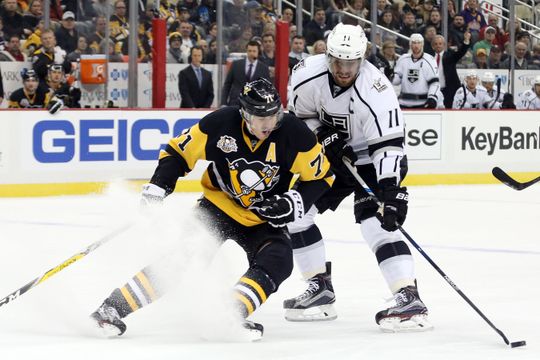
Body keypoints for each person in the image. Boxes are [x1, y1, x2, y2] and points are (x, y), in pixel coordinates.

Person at [89, 78, 334, 340]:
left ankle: (230, 313)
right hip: (217, 207)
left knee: (279, 260)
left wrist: (292, 202)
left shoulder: (294, 134)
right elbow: (178, 152)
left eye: (273, 115)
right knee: (182, 257)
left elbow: (321, 177)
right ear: (244, 114)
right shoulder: (221, 124)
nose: (268, 124)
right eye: (260, 117)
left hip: (263, 217)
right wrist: (158, 186)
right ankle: (111, 308)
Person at [285, 23, 432, 332]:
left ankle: (407, 295)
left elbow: (388, 146)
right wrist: (321, 135)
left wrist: (391, 192)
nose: (344, 69)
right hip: (330, 158)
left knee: (376, 223)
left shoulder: (377, 91)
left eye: (351, 62)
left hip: (371, 159)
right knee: (296, 214)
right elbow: (298, 119)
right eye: (338, 61)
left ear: (362, 58)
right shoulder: (306, 75)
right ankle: (320, 288)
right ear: (328, 56)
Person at [392, 33, 441, 108]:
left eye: (419, 43)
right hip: (403, 103)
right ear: (410, 45)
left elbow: (435, 83)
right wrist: (390, 75)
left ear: (422, 44)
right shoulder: (403, 59)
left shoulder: (430, 60)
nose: (416, 45)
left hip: (422, 104)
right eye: (414, 43)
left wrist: (432, 97)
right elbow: (396, 81)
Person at [221, 40, 271, 106]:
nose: (251, 53)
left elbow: (266, 88)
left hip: (255, 104)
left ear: (258, 52)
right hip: (235, 102)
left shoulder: (264, 68)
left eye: (254, 51)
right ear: (246, 51)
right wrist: (223, 103)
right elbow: (227, 84)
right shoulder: (236, 65)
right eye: (249, 51)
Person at [431, 32, 471, 109]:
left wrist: (466, 41)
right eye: (436, 44)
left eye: (440, 43)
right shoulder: (429, 58)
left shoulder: (450, 56)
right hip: (434, 91)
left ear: (444, 45)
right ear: (432, 46)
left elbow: (461, 52)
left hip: (449, 91)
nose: (438, 45)